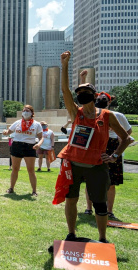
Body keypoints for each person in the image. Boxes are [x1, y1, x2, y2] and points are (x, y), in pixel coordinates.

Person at [58, 51, 132, 243]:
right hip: (73, 163)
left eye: (85, 93)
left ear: (93, 95)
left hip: (97, 166)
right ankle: (71, 234)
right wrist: (65, 65)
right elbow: (65, 90)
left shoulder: (107, 116)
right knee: (71, 199)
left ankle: (102, 238)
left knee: (100, 203)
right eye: (79, 93)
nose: (81, 95)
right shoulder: (76, 112)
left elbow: (126, 138)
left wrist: (115, 155)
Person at [81, 72, 133, 220]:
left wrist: (117, 147)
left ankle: (108, 210)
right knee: (90, 179)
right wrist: (83, 80)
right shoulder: (93, 113)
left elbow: (128, 133)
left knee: (111, 182)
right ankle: (89, 208)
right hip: (96, 144)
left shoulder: (117, 115)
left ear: (108, 102)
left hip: (111, 146)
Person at [2, 105, 44, 196]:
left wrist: (39, 144)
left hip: (30, 147)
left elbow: (41, 137)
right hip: (17, 145)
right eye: (24, 110)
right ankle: (11, 188)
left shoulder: (36, 124)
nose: (25, 112)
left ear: (32, 113)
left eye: (28, 110)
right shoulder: (17, 122)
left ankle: (34, 191)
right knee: (15, 169)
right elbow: (9, 131)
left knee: (31, 170)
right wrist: (5, 132)